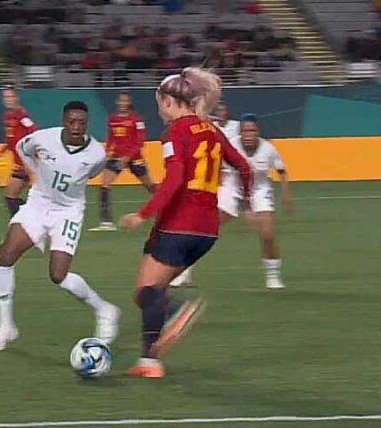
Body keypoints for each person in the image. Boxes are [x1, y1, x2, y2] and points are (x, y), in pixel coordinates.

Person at [119, 68, 252, 378]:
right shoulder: (213, 130)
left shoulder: (174, 133)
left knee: (145, 293)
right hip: (207, 231)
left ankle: (176, 311)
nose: (159, 112)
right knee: (154, 293)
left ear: (169, 102)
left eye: (159, 105)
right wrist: (245, 202)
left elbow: (175, 178)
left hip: (178, 225)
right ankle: (149, 363)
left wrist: (143, 213)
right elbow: (244, 167)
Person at [0, 101, 120, 353]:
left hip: (68, 212)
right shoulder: (43, 138)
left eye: (81, 123)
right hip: (38, 203)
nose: (76, 127)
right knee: (4, 256)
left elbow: (92, 173)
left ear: (87, 124)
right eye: (72, 122)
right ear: (64, 121)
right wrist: (35, 171)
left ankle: (104, 310)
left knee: (58, 275)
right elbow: (22, 148)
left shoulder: (96, 153)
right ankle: (5, 326)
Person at [173, 113, 293, 290]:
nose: (249, 135)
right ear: (240, 132)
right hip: (232, 187)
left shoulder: (268, 149)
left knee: (267, 234)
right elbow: (214, 162)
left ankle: (273, 276)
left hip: (259, 190)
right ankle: (184, 272)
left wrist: (285, 195)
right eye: (245, 131)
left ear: (258, 131)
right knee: (206, 228)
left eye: (252, 131)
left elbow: (282, 171)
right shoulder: (230, 145)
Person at [170, 102, 239, 287]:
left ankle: (183, 270)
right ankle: (184, 272)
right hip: (225, 186)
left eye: (223, 110)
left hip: (234, 185)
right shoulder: (210, 129)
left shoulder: (237, 128)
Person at [89, 90, 155, 232]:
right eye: (120, 101)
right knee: (104, 185)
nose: (122, 103)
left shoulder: (136, 120)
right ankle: (106, 222)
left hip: (134, 158)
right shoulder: (112, 119)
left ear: (129, 103)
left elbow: (140, 141)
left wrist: (127, 157)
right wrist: (107, 152)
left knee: (150, 186)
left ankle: (163, 210)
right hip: (117, 157)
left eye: (125, 101)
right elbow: (111, 138)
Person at [0, 87, 38, 217]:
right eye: (5, 97)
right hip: (19, 163)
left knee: (11, 198)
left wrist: (29, 158)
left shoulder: (21, 115)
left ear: (16, 98)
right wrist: (1, 151)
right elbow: (11, 138)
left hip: (26, 163)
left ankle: (26, 220)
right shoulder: (7, 116)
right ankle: (30, 218)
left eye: (10, 97)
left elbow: (33, 131)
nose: (7, 100)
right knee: (11, 198)